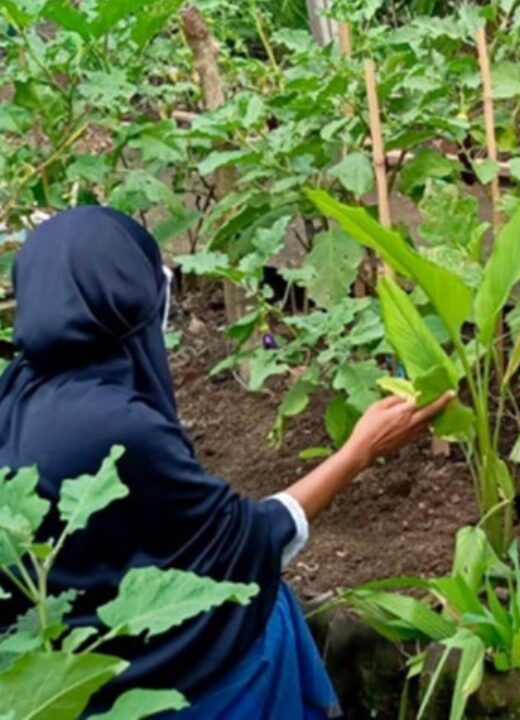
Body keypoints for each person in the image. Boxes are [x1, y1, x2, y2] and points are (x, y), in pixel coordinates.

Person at [0, 206, 452, 717]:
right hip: (152, 689)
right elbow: (243, 544)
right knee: (263, 613)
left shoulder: (15, 393)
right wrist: (359, 451)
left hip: (51, 678)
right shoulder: (116, 426)